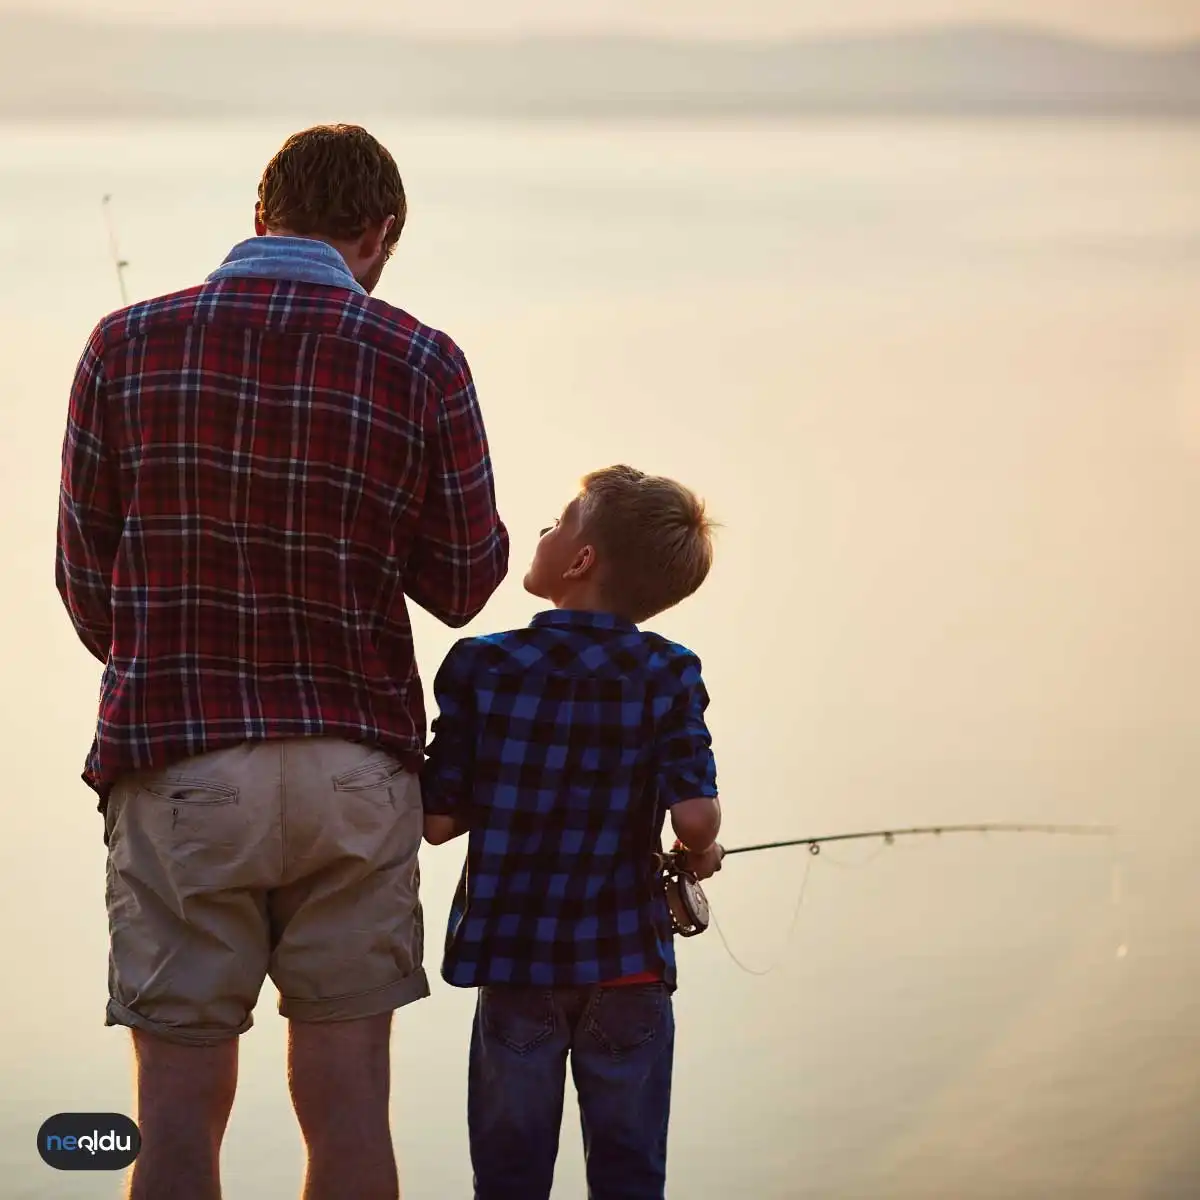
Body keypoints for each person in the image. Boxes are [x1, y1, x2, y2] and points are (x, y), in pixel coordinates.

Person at [55, 124, 509, 1200]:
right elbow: (462, 583)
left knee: (173, 1112)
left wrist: (165, 657)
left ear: (262, 216)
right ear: (380, 233)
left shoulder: (123, 344)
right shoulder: (422, 357)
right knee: (348, 1106)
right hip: (355, 770)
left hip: (181, 763)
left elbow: (86, 582)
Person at [422, 465, 722, 1200]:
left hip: (517, 965)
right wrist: (697, 853)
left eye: (557, 524)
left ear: (581, 560)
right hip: (627, 968)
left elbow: (435, 823)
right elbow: (696, 817)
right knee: (628, 1177)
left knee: (510, 1177)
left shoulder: (484, 666)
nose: (545, 533)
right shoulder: (669, 672)